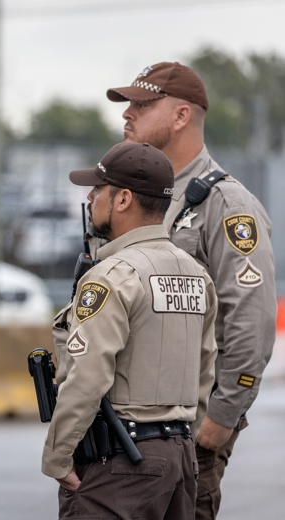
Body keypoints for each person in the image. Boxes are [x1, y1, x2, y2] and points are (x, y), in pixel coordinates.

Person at [106, 61, 277, 519]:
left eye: (142, 105)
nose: (127, 114)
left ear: (181, 116)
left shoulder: (226, 205)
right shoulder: (134, 196)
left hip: (185, 428)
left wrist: (222, 417)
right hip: (122, 423)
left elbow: (252, 320)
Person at [41, 142, 218, 519]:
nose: (89, 198)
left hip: (121, 463)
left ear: (122, 199)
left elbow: (87, 377)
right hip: (179, 459)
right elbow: (205, 372)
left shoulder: (112, 276)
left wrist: (57, 456)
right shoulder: (196, 275)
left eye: (97, 189)